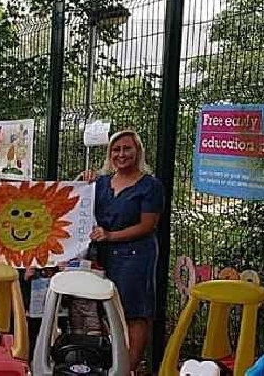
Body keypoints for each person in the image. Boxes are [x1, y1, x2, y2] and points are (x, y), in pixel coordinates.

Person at [82, 129, 163, 373]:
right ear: (109, 154)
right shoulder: (101, 183)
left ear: (138, 151)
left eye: (127, 148)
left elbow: (148, 225)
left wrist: (110, 236)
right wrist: (83, 181)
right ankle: (112, 361)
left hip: (135, 256)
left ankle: (128, 367)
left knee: (134, 313)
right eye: (116, 149)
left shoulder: (150, 186)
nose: (121, 154)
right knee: (106, 310)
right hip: (103, 256)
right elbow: (79, 202)